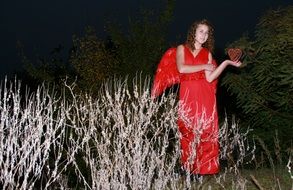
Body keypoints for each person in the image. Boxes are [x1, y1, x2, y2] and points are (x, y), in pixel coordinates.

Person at [151, 19, 242, 175]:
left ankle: (201, 170)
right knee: (187, 129)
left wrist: (226, 63)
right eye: (201, 31)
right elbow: (182, 68)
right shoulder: (181, 48)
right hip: (187, 93)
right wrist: (204, 66)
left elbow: (210, 78)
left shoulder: (207, 54)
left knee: (204, 130)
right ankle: (187, 168)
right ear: (193, 31)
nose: (204, 35)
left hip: (204, 95)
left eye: (207, 33)